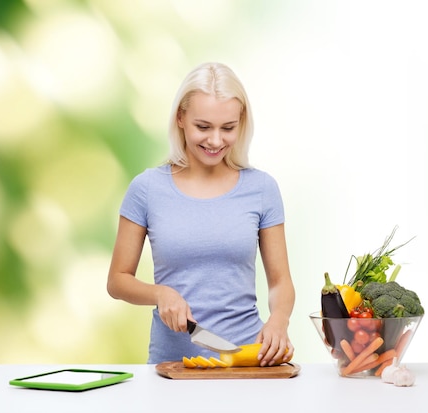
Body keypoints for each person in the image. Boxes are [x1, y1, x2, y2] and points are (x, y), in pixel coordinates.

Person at [107, 62, 295, 366]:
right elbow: (117, 280)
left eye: (228, 128)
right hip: (173, 364)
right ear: (180, 118)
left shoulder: (261, 188)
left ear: (242, 122)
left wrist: (279, 320)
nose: (216, 140)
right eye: (203, 127)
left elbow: (280, 281)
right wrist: (160, 294)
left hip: (248, 359)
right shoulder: (147, 189)